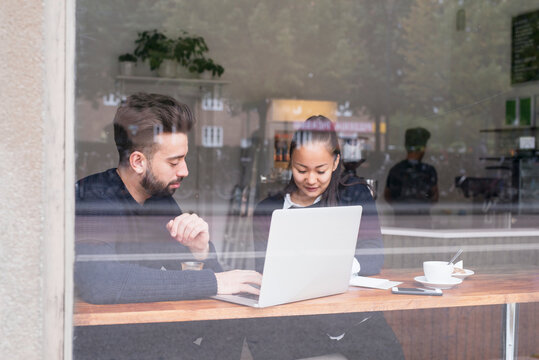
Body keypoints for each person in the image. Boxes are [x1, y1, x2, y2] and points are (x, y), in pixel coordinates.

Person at [74, 93, 261, 359]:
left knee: (232, 324)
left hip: (158, 345)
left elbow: (210, 286)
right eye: (174, 162)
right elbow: (100, 281)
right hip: (107, 350)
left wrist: (201, 251)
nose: (184, 170)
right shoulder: (92, 198)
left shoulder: (160, 201)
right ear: (138, 162)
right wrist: (212, 280)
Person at [247, 115, 403, 359]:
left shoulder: (353, 195)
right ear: (290, 162)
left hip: (357, 321)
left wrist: (335, 269)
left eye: (320, 170)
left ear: (335, 162)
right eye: (301, 170)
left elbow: (374, 253)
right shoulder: (269, 209)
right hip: (296, 325)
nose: (311, 179)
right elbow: (262, 269)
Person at [384, 127, 438, 218]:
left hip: (401, 221)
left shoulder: (396, 170)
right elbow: (435, 197)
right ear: (422, 148)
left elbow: (387, 196)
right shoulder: (429, 170)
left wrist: (400, 209)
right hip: (422, 222)